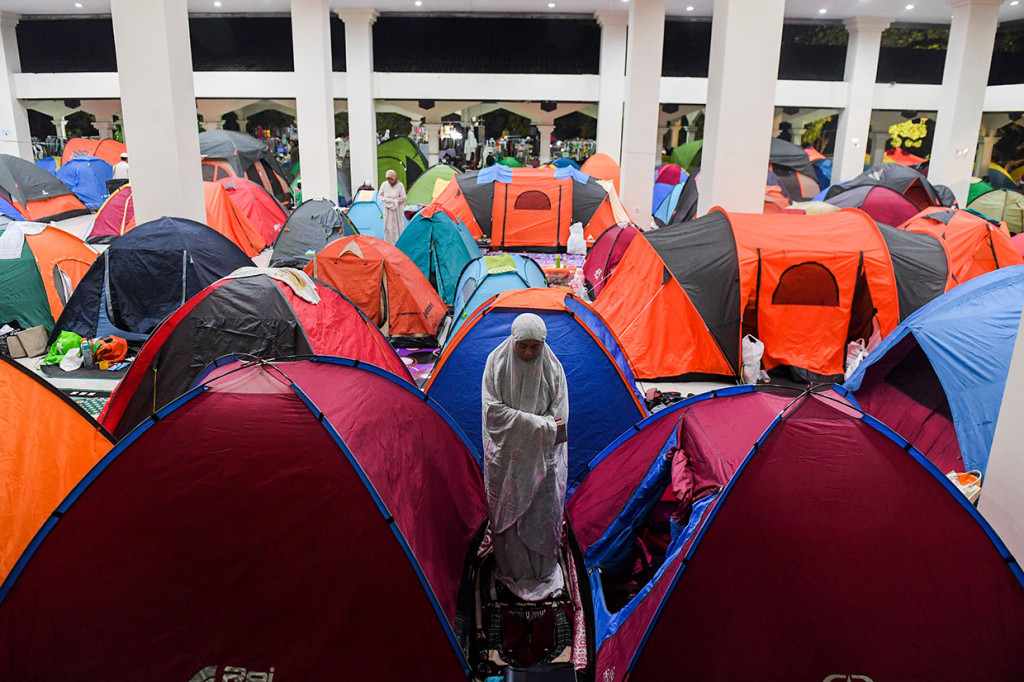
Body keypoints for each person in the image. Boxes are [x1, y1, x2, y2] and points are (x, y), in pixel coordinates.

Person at [482, 313, 569, 602]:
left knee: (541, 514)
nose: (530, 353)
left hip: (543, 463)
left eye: (536, 347)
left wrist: (528, 427)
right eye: (523, 346)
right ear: (513, 342)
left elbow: (559, 423)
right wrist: (537, 424)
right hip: (506, 461)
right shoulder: (496, 363)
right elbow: (492, 416)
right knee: (509, 520)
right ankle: (513, 569)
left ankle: (541, 570)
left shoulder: (553, 369)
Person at [379, 168, 406, 244]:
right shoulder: (384, 184)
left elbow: (404, 197)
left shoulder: (400, 185)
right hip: (387, 209)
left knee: (397, 227)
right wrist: (387, 201)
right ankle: (388, 243)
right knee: (388, 227)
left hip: (396, 210)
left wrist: (395, 201)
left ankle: (398, 242)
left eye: (391, 179)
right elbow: (380, 195)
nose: (390, 181)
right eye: (388, 179)